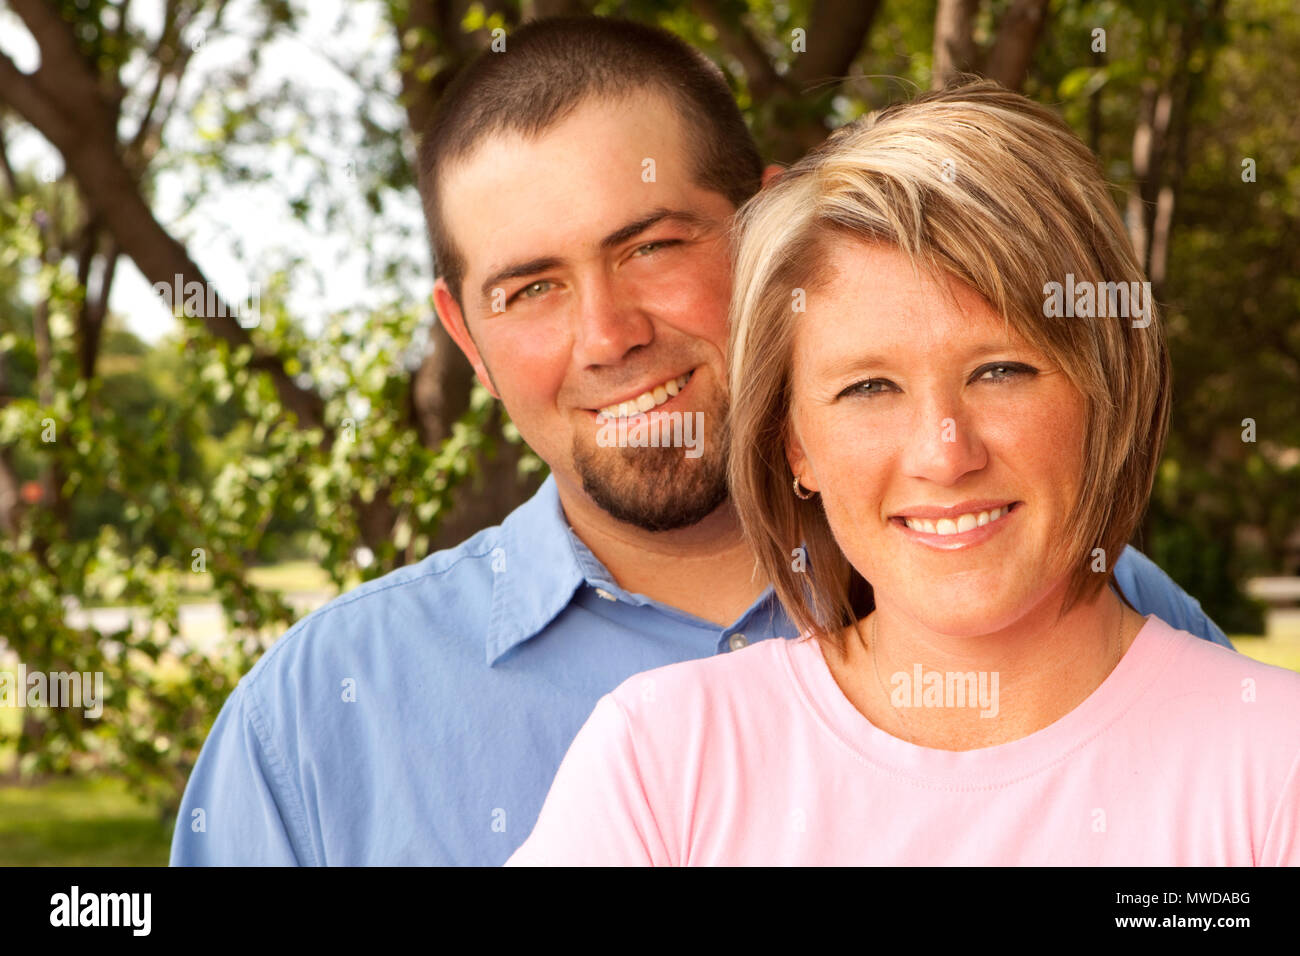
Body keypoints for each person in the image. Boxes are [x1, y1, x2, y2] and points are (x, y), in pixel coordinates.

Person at [170, 18, 1232, 867]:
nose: (607, 334)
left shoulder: (1097, 611)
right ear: (468, 340)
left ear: (770, 239)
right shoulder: (314, 719)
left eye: (653, 245)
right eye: (530, 288)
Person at [505, 81, 1300, 866]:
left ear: (1107, 392)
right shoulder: (663, 764)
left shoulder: (1274, 765)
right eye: (869, 388)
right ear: (794, 445)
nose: (944, 453)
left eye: (1001, 370)